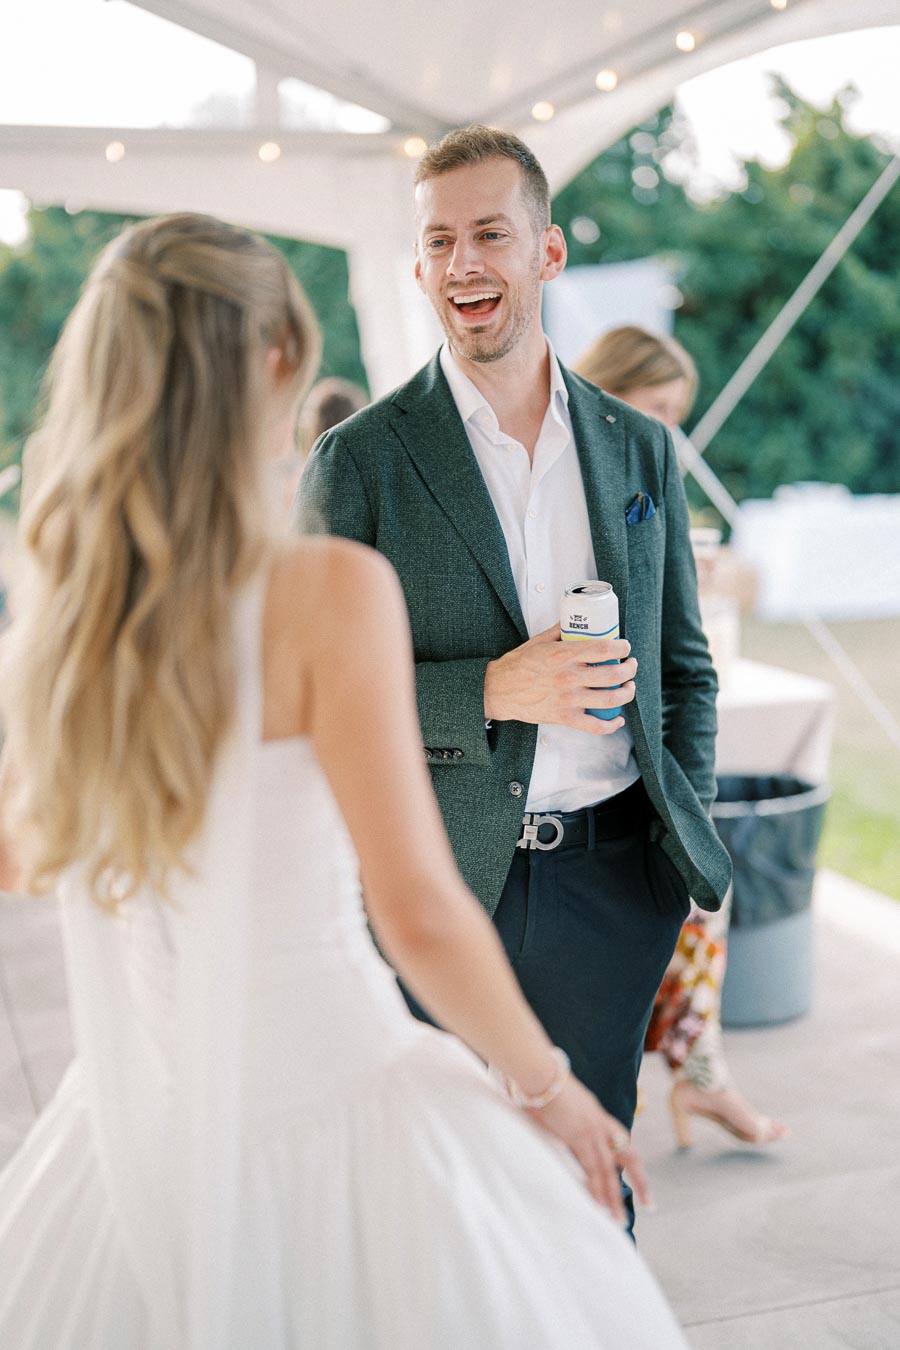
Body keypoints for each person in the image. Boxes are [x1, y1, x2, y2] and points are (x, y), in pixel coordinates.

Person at [0, 213, 689, 1348]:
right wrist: (546, 1088)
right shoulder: (324, 593)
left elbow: (29, 853)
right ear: (276, 363)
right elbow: (418, 912)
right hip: (335, 1098)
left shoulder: (77, 617)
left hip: (151, 1125)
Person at [297, 125, 733, 1232]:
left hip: (614, 891)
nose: (461, 265)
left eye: (489, 233)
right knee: (434, 1209)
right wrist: (494, 689)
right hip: (439, 892)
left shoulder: (638, 447)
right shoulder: (362, 461)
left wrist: (671, 850)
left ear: (545, 253)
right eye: (438, 241)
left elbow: (686, 663)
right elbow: (307, 698)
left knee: (591, 1201)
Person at [574, 324, 787, 1147]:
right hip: (587, 763)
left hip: (648, 752)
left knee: (704, 896)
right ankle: (686, 1084)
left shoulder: (648, 475)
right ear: (613, 387)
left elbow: (728, 604)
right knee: (682, 912)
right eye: (658, 406)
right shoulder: (563, 478)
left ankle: (698, 1077)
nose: (670, 429)